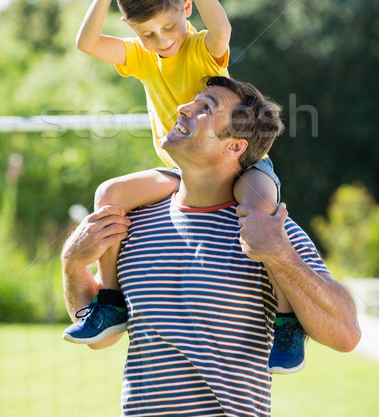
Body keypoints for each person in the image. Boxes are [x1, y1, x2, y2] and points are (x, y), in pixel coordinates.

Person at [63, 0, 304, 373]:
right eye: (148, 33)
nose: (163, 40)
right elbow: (88, 42)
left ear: (186, 9)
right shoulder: (139, 55)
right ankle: (111, 301)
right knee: (109, 195)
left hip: (241, 165)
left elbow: (222, 25)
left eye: (170, 25)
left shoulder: (200, 48)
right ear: (133, 31)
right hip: (182, 172)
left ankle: (288, 322)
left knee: (260, 210)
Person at [61, 76, 361, 417]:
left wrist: (280, 254)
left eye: (205, 108)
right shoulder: (133, 224)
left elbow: (346, 335)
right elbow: (101, 338)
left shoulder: (267, 231)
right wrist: (72, 264)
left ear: (234, 146)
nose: (182, 108)